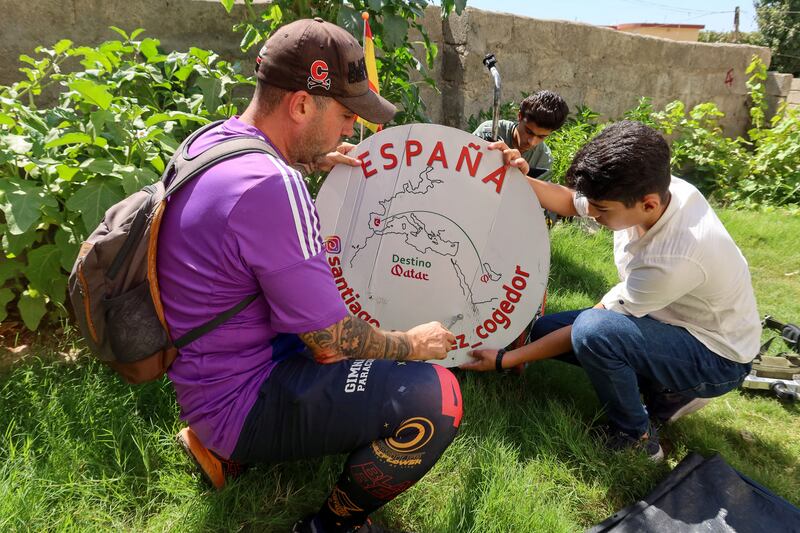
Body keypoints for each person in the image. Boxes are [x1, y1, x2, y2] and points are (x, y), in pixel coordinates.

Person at [157, 18, 463, 533]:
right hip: (240, 400)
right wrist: (412, 342)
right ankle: (331, 525)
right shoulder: (272, 186)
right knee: (438, 397)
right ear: (301, 105)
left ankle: (218, 447)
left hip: (202, 377)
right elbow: (328, 341)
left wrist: (308, 158)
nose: (350, 131)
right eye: (346, 115)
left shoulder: (211, 143)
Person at [462, 121, 761, 461]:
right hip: (669, 318)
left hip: (716, 356)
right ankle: (661, 390)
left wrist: (505, 359)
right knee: (542, 330)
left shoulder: (676, 255)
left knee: (593, 333)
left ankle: (638, 437)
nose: (593, 216)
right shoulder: (649, 188)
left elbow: (592, 324)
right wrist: (516, 178)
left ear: (647, 204)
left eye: (602, 211)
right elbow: (571, 202)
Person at [472, 90, 569, 181]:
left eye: (541, 137)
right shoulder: (490, 131)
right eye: (529, 132)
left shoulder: (543, 158)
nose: (531, 142)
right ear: (520, 116)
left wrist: (521, 176)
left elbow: (536, 197)